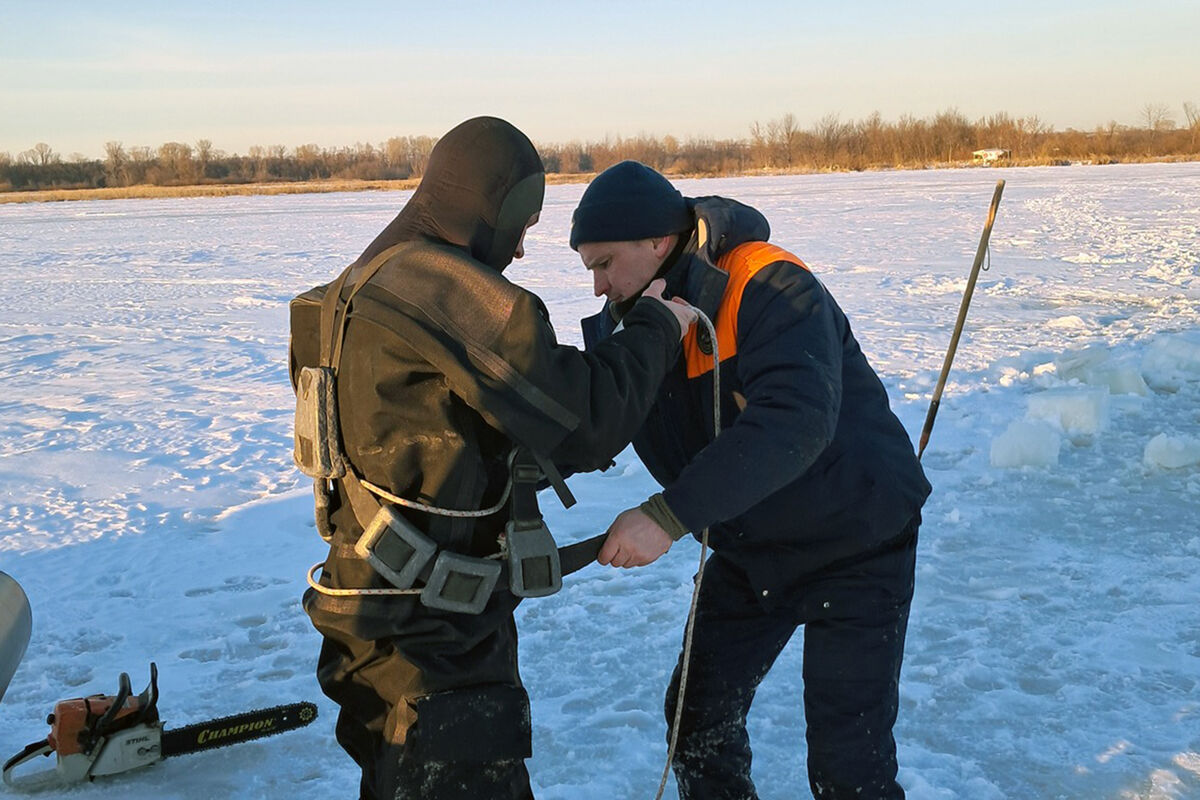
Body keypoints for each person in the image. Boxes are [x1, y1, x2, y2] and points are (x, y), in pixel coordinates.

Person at [289, 121, 695, 800]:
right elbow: (584, 422)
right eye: (522, 225)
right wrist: (657, 327)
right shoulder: (442, 293)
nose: (520, 248)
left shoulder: (344, 294)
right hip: (433, 641)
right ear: (492, 205)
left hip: (363, 617)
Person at [571, 161, 932, 799]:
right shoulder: (630, 317)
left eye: (604, 264)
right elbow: (597, 420)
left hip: (856, 536)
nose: (597, 285)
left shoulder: (767, 283)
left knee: (849, 763)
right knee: (696, 722)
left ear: (657, 242)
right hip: (750, 546)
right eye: (588, 268)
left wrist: (667, 516)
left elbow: (795, 422)